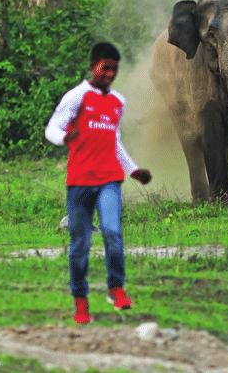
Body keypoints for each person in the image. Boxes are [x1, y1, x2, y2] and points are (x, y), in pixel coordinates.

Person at [45, 42, 152, 324]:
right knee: (80, 244)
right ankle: (81, 302)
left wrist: (133, 170)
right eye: (105, 68)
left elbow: (114, 142)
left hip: (109, 180)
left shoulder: (117, 102)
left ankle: (116, 289)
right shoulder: (76, 96)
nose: (110, 74)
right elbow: (52, 128)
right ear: (93, 66)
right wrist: (63, 137)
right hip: (80, 181)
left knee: (113, 233)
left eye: (114, 69)